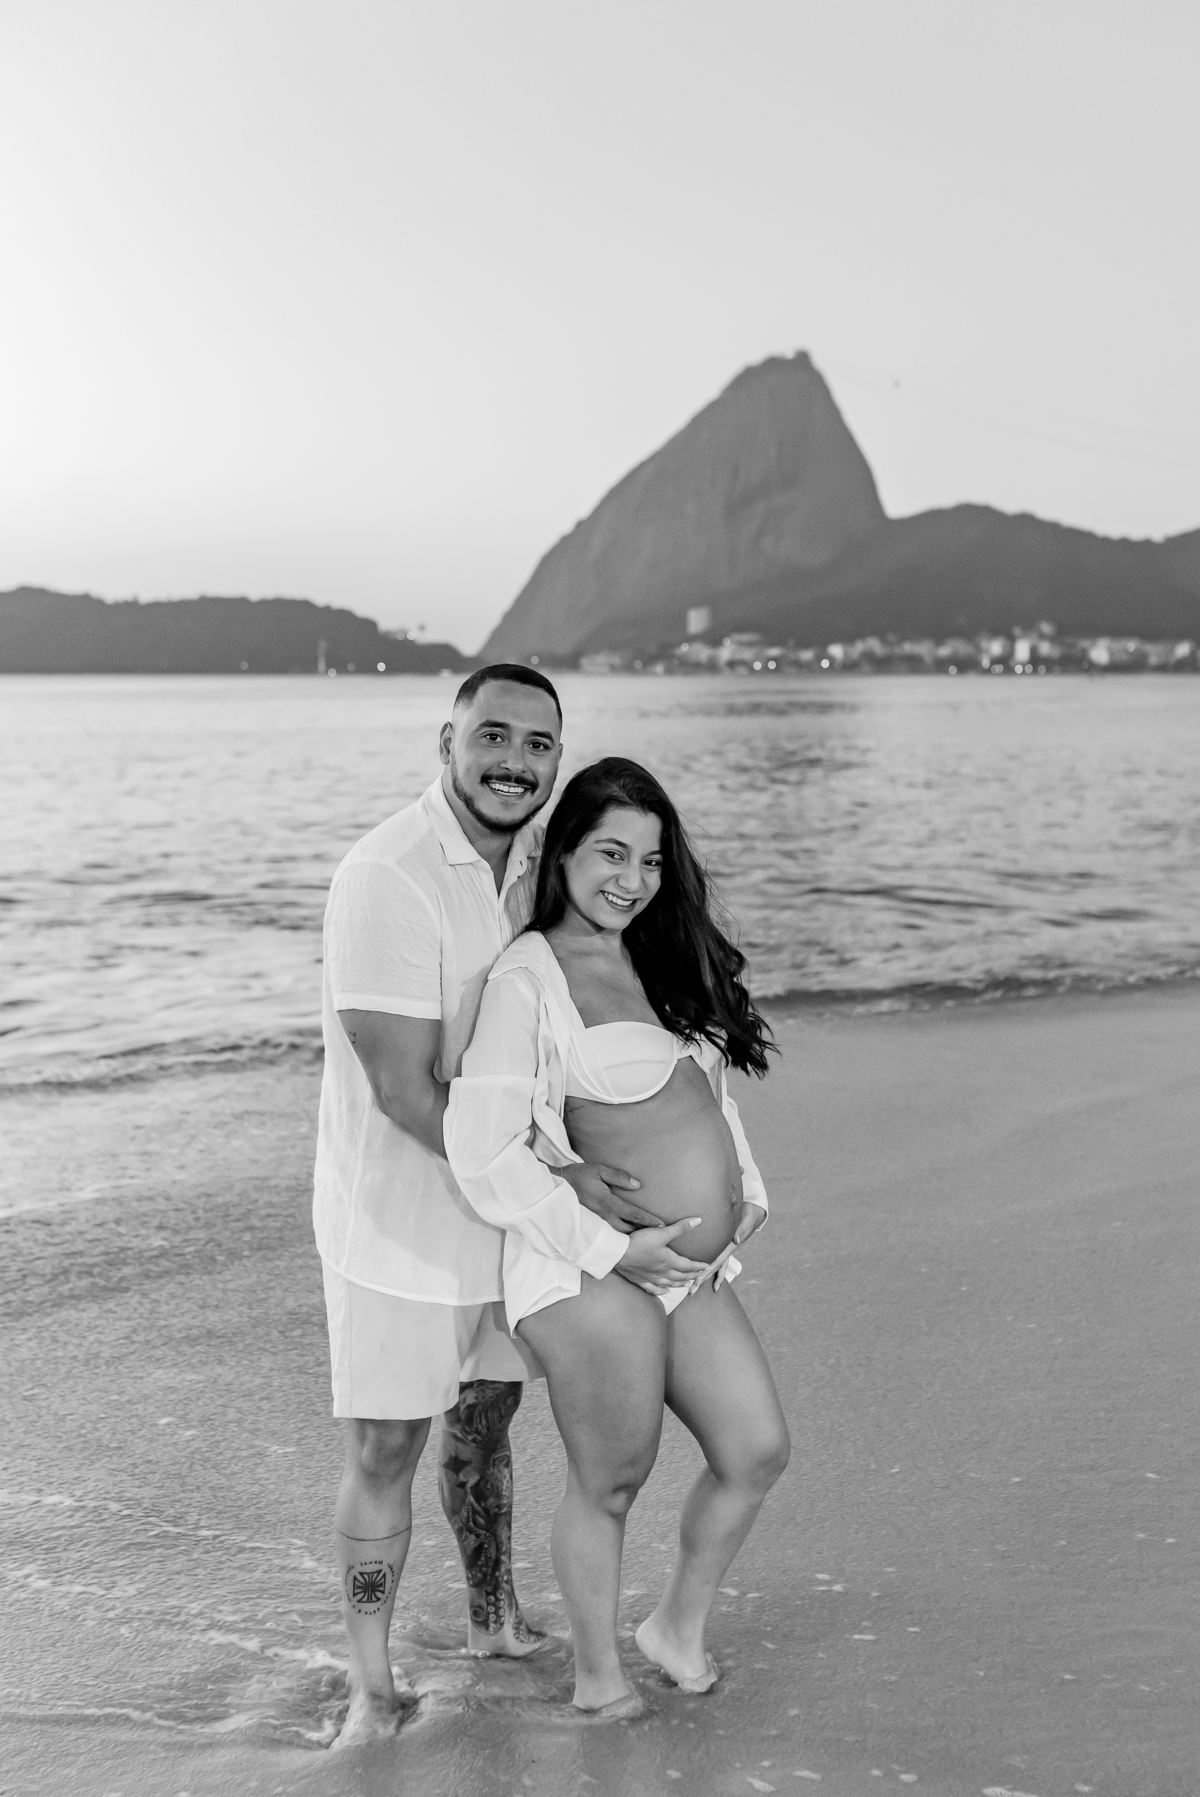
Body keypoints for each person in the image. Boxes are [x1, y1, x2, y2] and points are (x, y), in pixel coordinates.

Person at [313, 675, 660, 1748]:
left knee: (487, 1422)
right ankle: (371, 1682)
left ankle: (491, 1624)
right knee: (387, 1446)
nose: (514, 760)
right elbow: (407, 1090)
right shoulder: (389, 874)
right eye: (492, 736)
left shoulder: (535, 865)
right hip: (399, 1228)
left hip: (501, 1221)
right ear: (448, 740)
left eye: (538, 744)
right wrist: (558, 1185)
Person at [445, 757, 790, 1718]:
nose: (630, 880)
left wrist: (745, 1191)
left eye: (648, 858)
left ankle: (673, 1626)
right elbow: (482, 1153)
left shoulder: (660, 953)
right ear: (564, 855)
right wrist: (611, 1252)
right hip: (585, 1264)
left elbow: (706, 1096)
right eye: (609, 853)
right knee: (612, 1478)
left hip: (685, 1266)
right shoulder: (529, 977)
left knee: (756, 1449)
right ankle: (596, 1678)